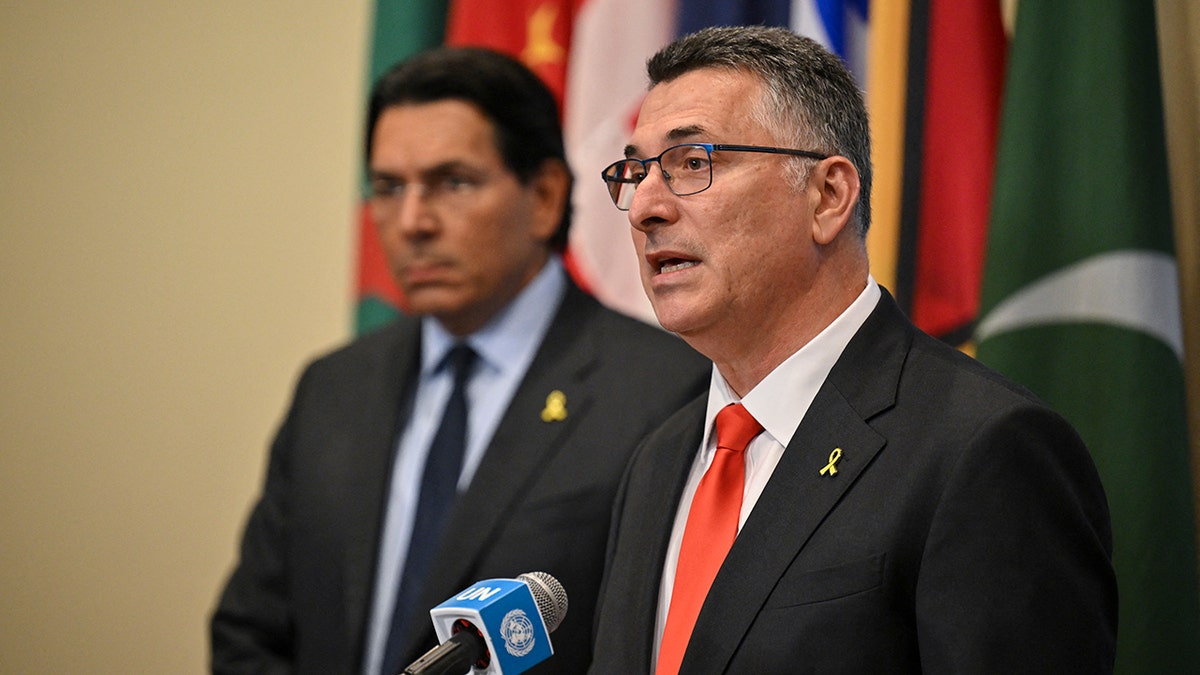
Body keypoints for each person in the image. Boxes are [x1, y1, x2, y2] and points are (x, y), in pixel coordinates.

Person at [589, 26, 1117, 674]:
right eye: (635, 171)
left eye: (691, 162)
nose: (643, 206)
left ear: (828, 195)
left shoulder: (983, 449)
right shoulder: (657, 460)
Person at [210, 47, 708, 675]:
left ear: (547, 196)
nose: (412, 221)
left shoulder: (666, 389)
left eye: (453, 183)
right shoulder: (332, 389)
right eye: (389, 188)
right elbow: (250, 634)